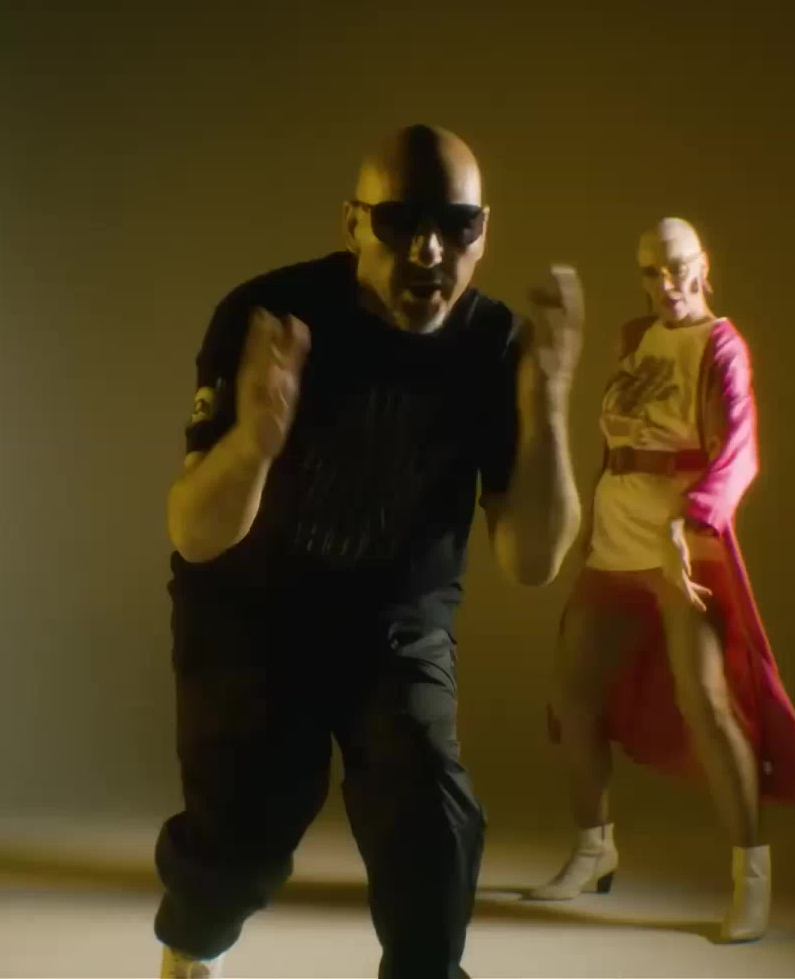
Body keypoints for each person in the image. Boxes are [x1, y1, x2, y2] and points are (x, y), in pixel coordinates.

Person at [153, 125, 584, 979]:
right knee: (238, 841)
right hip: (252, 619)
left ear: (483, 232)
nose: (429, 249)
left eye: (455, 225)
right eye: (400, 221)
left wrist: (549, 407)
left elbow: (532, 560)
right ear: (354, 224)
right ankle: (193, 954)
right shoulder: (271, 315)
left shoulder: (495, 344)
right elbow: (194, 532)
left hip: (396, 629)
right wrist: (255, 441)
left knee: (432, 829)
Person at [526, 218, 795, 942]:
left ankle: (751, 876)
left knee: (708, 705)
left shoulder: (720, 344)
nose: (666, 284)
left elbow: (742, 452)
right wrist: (589, 523)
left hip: (680, 545)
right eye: (651, 272)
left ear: (703, 265)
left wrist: (693, 521)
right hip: (615, 538)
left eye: (677, 267)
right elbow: (619, 440)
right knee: (573, 694)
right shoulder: (635, 338)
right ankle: (594, 850)